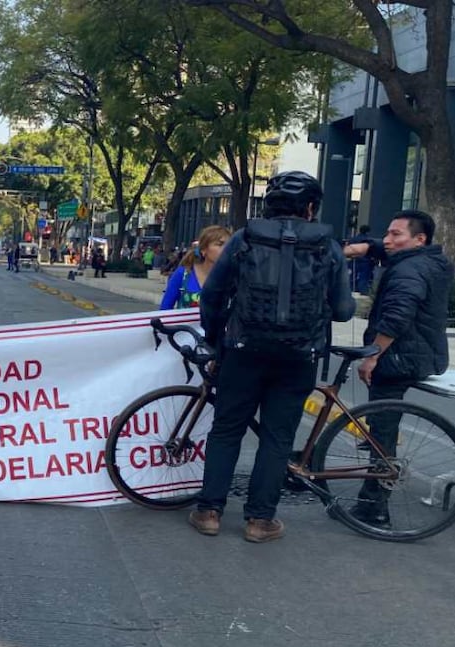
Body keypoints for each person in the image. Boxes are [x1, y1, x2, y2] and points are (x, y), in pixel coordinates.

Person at [191, 171, 355, 543]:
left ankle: (208, 512)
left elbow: (212, 296)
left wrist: (217, 343)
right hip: (299, 356)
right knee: (277, 437)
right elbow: (344, 310)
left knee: (227, 429)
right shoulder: (328, 246)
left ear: (269, 204)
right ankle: (259, 521)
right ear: (311, 208)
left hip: (243, 351)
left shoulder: (244, 238)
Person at [343, 210, 453, 526]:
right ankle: (378, 461)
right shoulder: (429, 260)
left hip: (399, 358)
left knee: (384, 431)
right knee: (383, 421)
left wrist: (373, 355)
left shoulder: (410, 271)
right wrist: (366, 246)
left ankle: (374, 506)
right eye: (387, 233)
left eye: (395, 235)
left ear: (419, 239)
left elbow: (397, 316)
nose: (388, 240)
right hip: (419, 353)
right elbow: (388, 247)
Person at [159, 225, 231, 310]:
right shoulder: (182, 274)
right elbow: (164, 310)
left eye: (229, 244)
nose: (226, 249)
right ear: (203, 250)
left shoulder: (232, 277)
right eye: (220, 244)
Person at [345, 225, 377, 294]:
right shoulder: (369, 240)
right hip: (365, 261)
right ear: (368, 232)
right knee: (364, 278)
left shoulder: (353, 239)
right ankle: (363, 291)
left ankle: (351, 290)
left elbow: (348, 249)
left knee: (352, 277)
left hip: (354, 261)